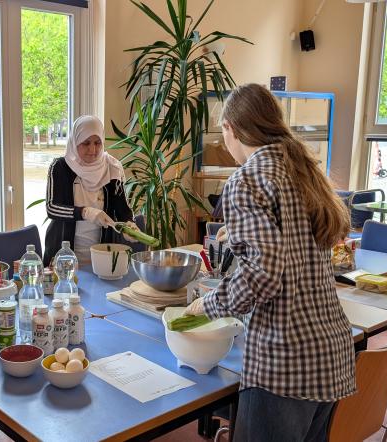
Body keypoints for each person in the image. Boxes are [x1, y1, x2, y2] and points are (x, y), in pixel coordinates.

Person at [183, 84, 355, 442]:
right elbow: (289, 252)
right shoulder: (302, 171)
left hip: (285, 360)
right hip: (330, 352)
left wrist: (208, 304)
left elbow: (263, 275)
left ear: (230, 128)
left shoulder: (246, 178)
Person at [43, 115, 141, 266]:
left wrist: (129, 225)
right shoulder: (60, 167)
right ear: (75, 142)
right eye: (86, 143)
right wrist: (85, 212)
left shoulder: (112, 168)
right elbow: (52, 208)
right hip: (64, 257)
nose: (92, 150)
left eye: (97, 143)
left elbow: (123, 210)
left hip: (102, 255)